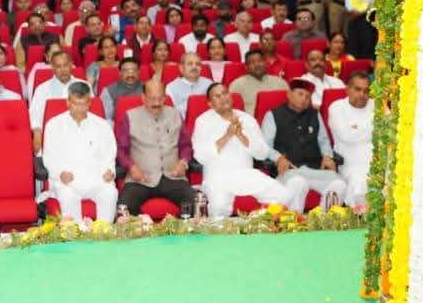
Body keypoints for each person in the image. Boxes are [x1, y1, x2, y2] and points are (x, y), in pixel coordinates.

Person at [191, 84, 306, 218]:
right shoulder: (203, 121)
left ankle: (257, 223)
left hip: (246, 174)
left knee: (282, 197)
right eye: (217, 96)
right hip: (217, 177)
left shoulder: (247, 119)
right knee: (219, 207)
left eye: (225, 93)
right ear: (210, 104)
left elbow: (262, 153)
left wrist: (241, 136)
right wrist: (227, 136)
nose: (223, 98)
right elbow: (200, 156)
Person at [260, 79, 347, 211]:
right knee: (298, 183)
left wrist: (327, 156)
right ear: (289, 94)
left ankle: (325, 218)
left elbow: (323, 140)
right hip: (290, 171)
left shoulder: (315, 115)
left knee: (340, 184)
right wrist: (278, 158)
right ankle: (294, 220)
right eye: (300, 94)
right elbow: (265, 146)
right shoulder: (273, 115)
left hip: (316, 169)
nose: (304, 99)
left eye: (307, 96)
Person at [116, 80, 195, 216]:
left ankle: (176, 228)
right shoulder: (129, 116)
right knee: (124, 209)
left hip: (173, 177)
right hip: (141, 178)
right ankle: (143, 227)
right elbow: (120, 150)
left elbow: (186, 145)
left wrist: (183, 163)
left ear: (165, 97)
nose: (157, 103)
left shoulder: (175, 115)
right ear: (143, 98)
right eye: (152, 99)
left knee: (195, 205)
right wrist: (131, 168)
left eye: (160, 98)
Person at [42, 81, 117, 222]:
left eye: (83, 104)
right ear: (68, 102)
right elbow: (49, 157)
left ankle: (104, 233)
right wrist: (59, 173)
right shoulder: (54, 125)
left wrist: (109, 171)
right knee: (67, 195)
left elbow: (110, 154)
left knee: (110, 193)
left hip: (96, 179)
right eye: (75, 104)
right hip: (68, 181)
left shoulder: (102, 125)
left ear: (89, 103)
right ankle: (75, 234)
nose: (79, 109)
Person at [327, 71, 373, 208]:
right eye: (357, 89)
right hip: (351, 164)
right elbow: (347, 136)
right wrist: (373, 128)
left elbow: (388, 130)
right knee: (360, 181)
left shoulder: (376, 105)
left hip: (379, 160)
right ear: (347, 89)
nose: (362, 94)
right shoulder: (337, 107)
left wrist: (357, 129)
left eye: (366, 91)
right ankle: (361, 216)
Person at [29, 49, 81, 154]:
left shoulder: (83, 86)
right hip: (52, 136)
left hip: (79, 133)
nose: (63, 70)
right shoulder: (42, 89)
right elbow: (35, 116)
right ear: (52, 68)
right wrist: (37, 134)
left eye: (65, 65)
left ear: (71, 65)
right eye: (58, 66)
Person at [100, 57, 143, 122]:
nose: (130, 74)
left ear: (139, 72)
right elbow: (107, 118)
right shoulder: (108, 91)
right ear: (120, 73)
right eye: (126, 71)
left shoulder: (147, 88)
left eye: (134, 70)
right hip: (119, 124)